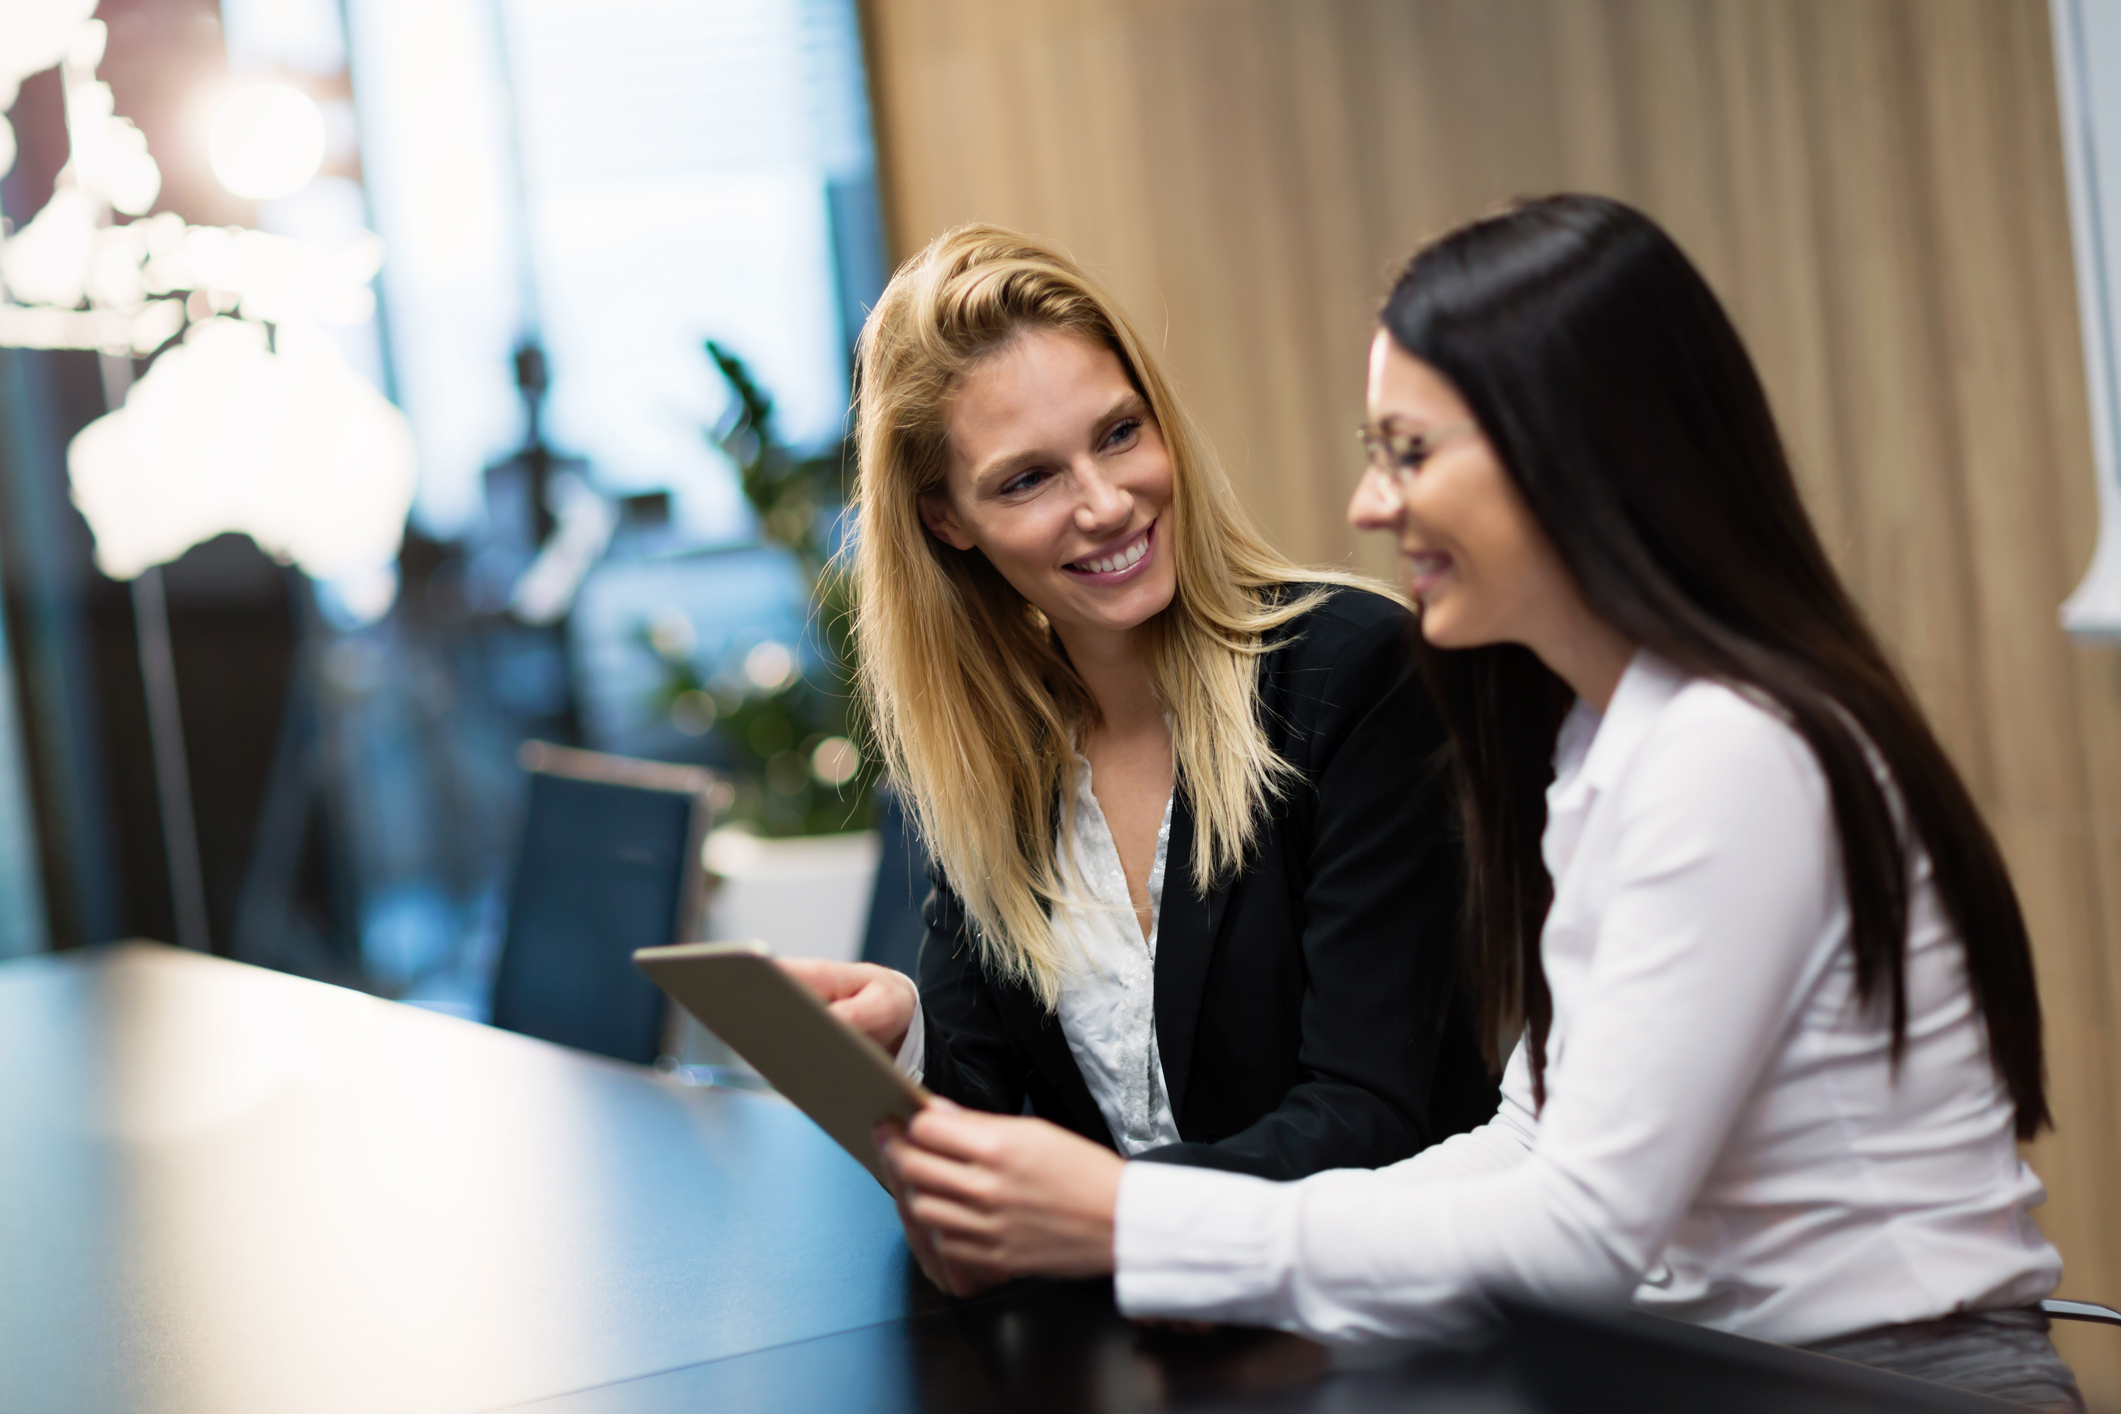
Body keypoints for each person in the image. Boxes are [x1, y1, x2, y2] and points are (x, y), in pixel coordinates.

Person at [873, 197, 2082, 1410]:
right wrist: (1156, 1223)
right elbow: (1524, 1147)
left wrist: (1141, 1215)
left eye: (1409, 452)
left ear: (1568, 452)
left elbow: (1578, 1240)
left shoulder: (1730, 753)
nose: (1368, 504)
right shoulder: (1616, 737)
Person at [782, 225, 1497, 1238]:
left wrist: (1109, 1213)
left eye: (1119, 433)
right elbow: (987, 1124)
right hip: (1144, 1351)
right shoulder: (993, 759)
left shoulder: (1355, 671)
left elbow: (1372, 1115)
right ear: (947, 519)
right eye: (1028, 479)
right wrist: (901, 1051)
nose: (1108, 504)